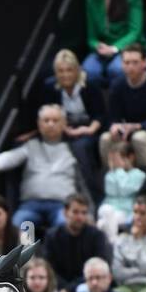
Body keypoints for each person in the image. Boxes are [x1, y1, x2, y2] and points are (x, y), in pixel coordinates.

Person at [0, 104, 88, 235]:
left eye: (55, 120)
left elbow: (84, 184)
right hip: (31, 206)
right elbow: (11, 157)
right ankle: (25, 249)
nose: (50, 124)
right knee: (18, 226)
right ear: (39, 123)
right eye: (46, 120)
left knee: (66, 227)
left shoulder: (74, 149)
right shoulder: (30, 146)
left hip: (62, 206)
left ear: (64, 123)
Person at [34, 49, 105, 196]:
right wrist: (63, 128)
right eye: (61, 71)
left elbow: (100, 114)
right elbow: (48, 112)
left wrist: (88, 130)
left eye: (69, 70)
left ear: (77, 70)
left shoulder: (90, 84)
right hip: (63, 129)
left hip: (89, 129)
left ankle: (91, 193)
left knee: (80, 147)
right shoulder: (50, 87)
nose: (65, 75)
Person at [101, 44, 146, 171]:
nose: (130, 67)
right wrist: (114, 127)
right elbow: (112, 117)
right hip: (127, 129)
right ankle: (110, 176)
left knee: (138, 138)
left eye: (135, 62)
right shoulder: (117, 85)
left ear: (145, 63)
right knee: (105, 138)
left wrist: (135, 126)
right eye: (126, 63)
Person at [83, 0, 145, 87]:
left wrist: (114, 48)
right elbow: (91, 37)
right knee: (89, 71)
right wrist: (97, 46)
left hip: (127, 47)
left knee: (116, 70)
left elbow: (135, 32)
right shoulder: (91, 0)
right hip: (102, 50)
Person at [43, 193, 111, 292]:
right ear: (65, 213)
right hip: (58, 287)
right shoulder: (52, 236)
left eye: (84, 213)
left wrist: (69, 290)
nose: (80, 217)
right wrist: (63, 289)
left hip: (88, 285)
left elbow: (99, 267)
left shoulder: (97, 235)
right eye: (75, 212)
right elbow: (49, 269)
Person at [97, 142, 146, 245]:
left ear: (130, 158)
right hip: (107, 209)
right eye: (111, 160)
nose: (113, 163)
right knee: (106, 210)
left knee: (101, 224)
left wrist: (119, 171)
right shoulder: (110, 174)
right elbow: (111, 191)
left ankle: (111, 246)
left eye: (116, 159)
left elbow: (124, 190)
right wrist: (116, 172)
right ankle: (114, 243)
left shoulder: (139, 175)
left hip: (125, 212)